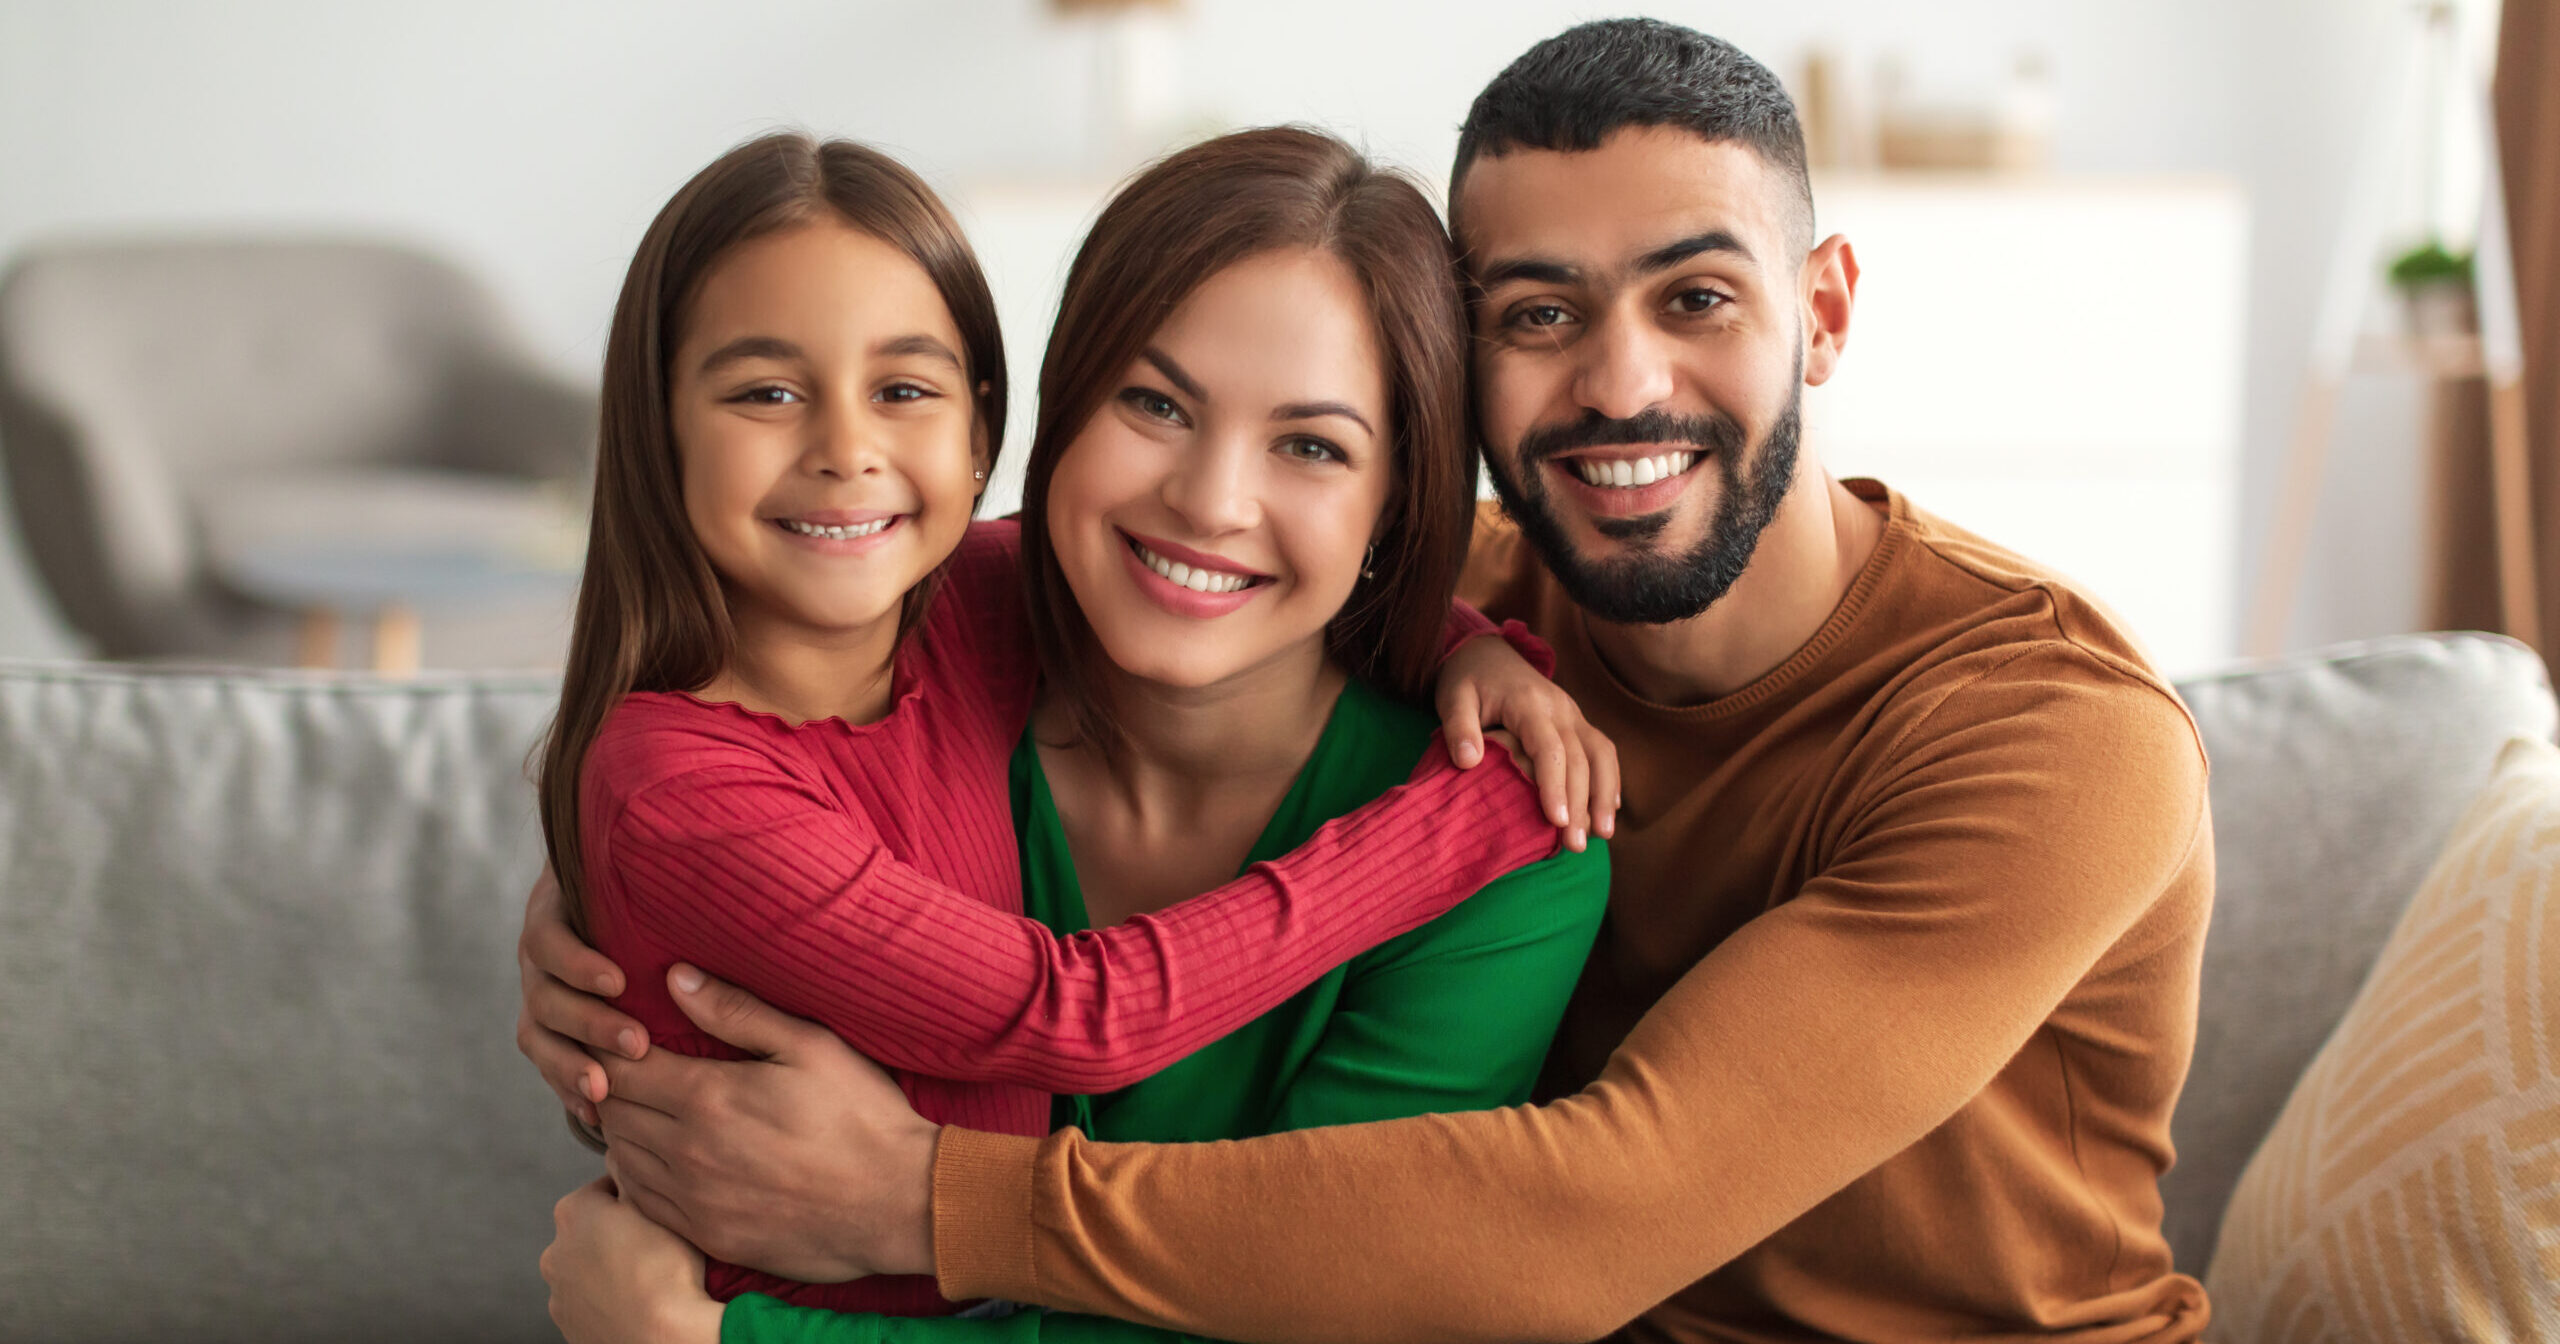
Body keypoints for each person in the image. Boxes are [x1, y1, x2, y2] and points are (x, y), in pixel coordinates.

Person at [523, 19, 2219, 1344]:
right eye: (1540, 313)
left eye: (1698, 294)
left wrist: (924, 1203)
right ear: (1460, 378)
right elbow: (843, 617)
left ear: (1825, 309)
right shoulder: (1416, 596)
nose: (1624, 379)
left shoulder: (2057, 736)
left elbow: (1587, 1213)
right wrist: (634, 878)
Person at [525, 129, 1615, 1328]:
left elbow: (1319, 1307)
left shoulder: (1520, 855)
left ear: (1398, 499)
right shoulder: (950, 625)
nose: (1209, 503)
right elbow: (711, 780)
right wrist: (585, 901)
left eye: (1311, 445)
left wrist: (720, 1338)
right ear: (1056, 412)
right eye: (1154, 404)